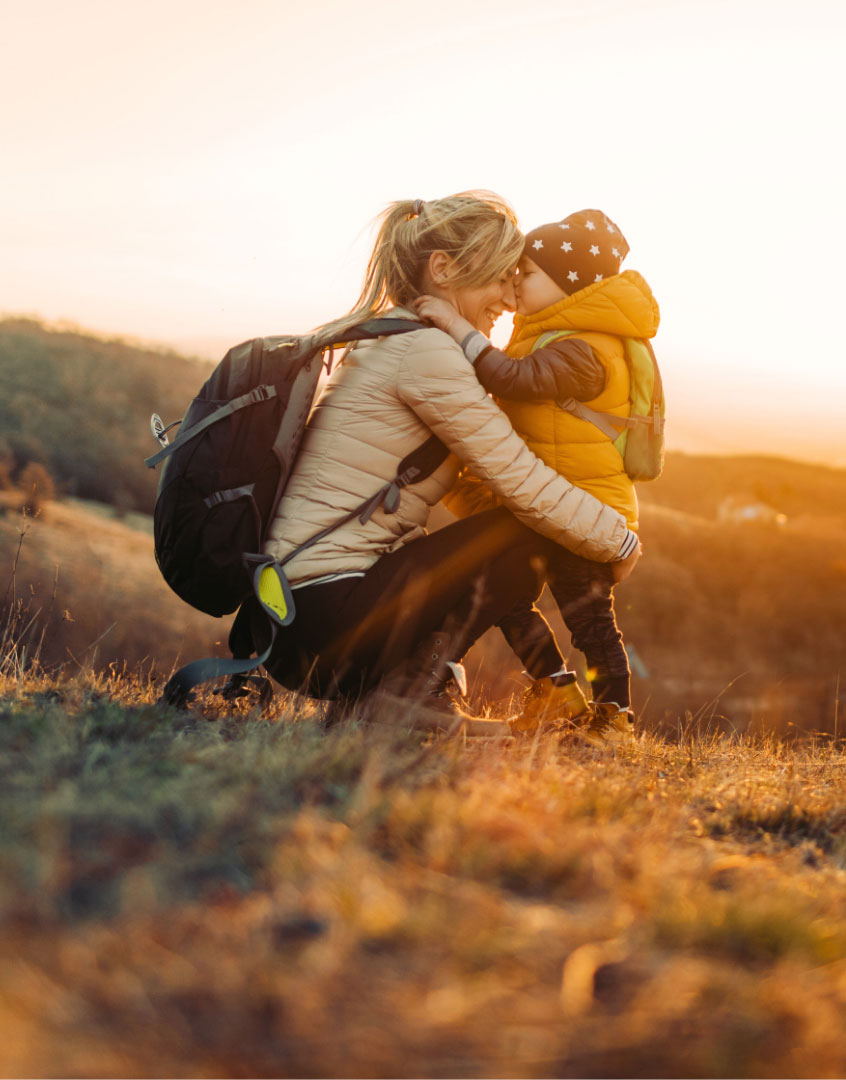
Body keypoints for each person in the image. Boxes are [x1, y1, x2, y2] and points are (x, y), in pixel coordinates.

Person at [260, 193, 640, 733]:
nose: (510, 297)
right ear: (443, 270)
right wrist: (616, 540)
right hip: (325, 621)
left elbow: (472, 480)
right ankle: (406, 698)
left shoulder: (394, 336)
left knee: (516, 530)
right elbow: (519, 478)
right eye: (499, 278)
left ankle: (400, 693)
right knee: (529, 536)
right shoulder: (427, 353)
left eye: (517, 278)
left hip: (296, 621)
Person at [412, 208, 660, 742]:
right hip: (548, 508)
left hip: (586, 509)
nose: (515, 282)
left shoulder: (586, 347)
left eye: (527, 272)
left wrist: (455, 326)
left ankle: (614, 716)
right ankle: (555, 690)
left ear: (568, 285)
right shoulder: (550, 335)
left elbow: (514, 380)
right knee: (505, 597)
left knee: (589, 620)